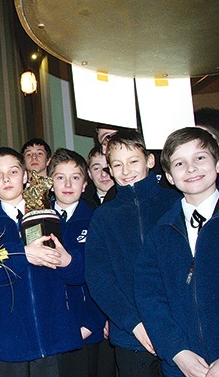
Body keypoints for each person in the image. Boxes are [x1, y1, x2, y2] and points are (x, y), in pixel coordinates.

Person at [0, 147, 83, 377]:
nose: (6, 179)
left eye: (13, 172)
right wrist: (22, 255)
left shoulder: (51, 217)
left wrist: (67, 261)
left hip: (54, 333)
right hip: (8, 339)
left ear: (25, 176)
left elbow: (79, 274)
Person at [85, 130, 180, 377]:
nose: (126, 171)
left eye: (133, 161)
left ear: (149, 161)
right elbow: (99, 277)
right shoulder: (104, 216)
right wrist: (133, 323)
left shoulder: (175, 203)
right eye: (117, 164)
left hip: (179, 329)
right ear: (109, 169)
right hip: (130, 335)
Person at [135, 127, 219, 377]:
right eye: (180, 163)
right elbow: (149, 296)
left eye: (200, 158)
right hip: (182, 366)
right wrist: (177, 351)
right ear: (170, 176)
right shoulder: (160, 232)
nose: (191, 168)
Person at [48, 149, 114, 377]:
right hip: (48, 326)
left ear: (85, 184)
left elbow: (104, 278)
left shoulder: (98, 219)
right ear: (50, 182)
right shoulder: (37, 219)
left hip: (84, 327)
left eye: (75, 177)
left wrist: (91, 323)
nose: (68, 184)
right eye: (60, 177)